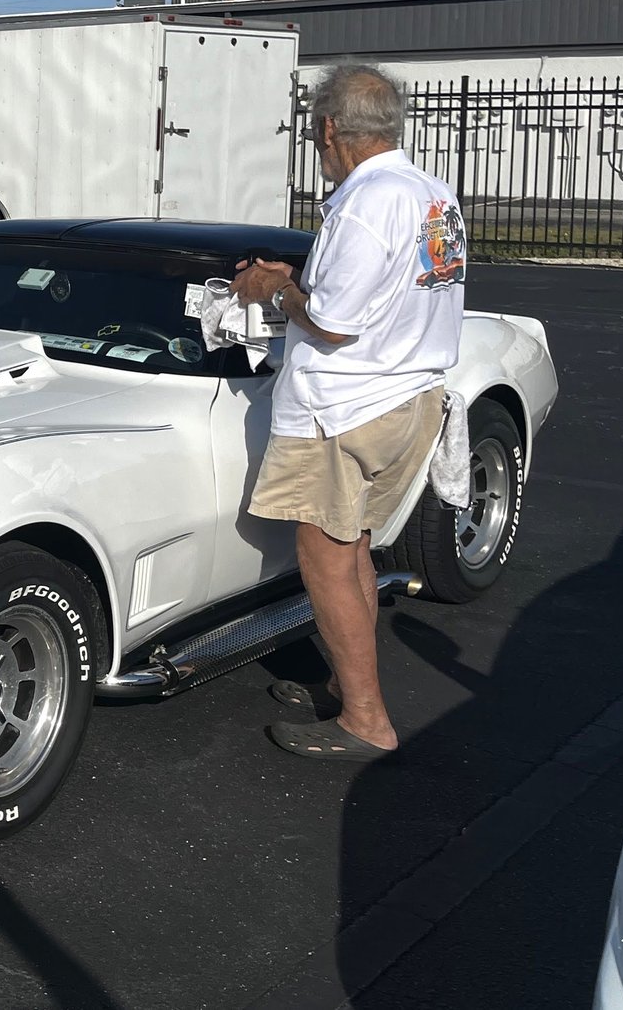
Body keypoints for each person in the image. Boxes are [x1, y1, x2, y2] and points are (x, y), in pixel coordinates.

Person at [230, 64, 466, 762]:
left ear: (331, 128)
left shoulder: (364, 202)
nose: (317, 148)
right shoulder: (433, 195)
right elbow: (387, 293)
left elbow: (333, 322)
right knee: (355, 546)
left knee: (326, 562)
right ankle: (345, 681)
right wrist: (301, 285)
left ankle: (365, 718)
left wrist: (275, 289)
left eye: (314, 134)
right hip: (408, 397)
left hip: (344, 408)